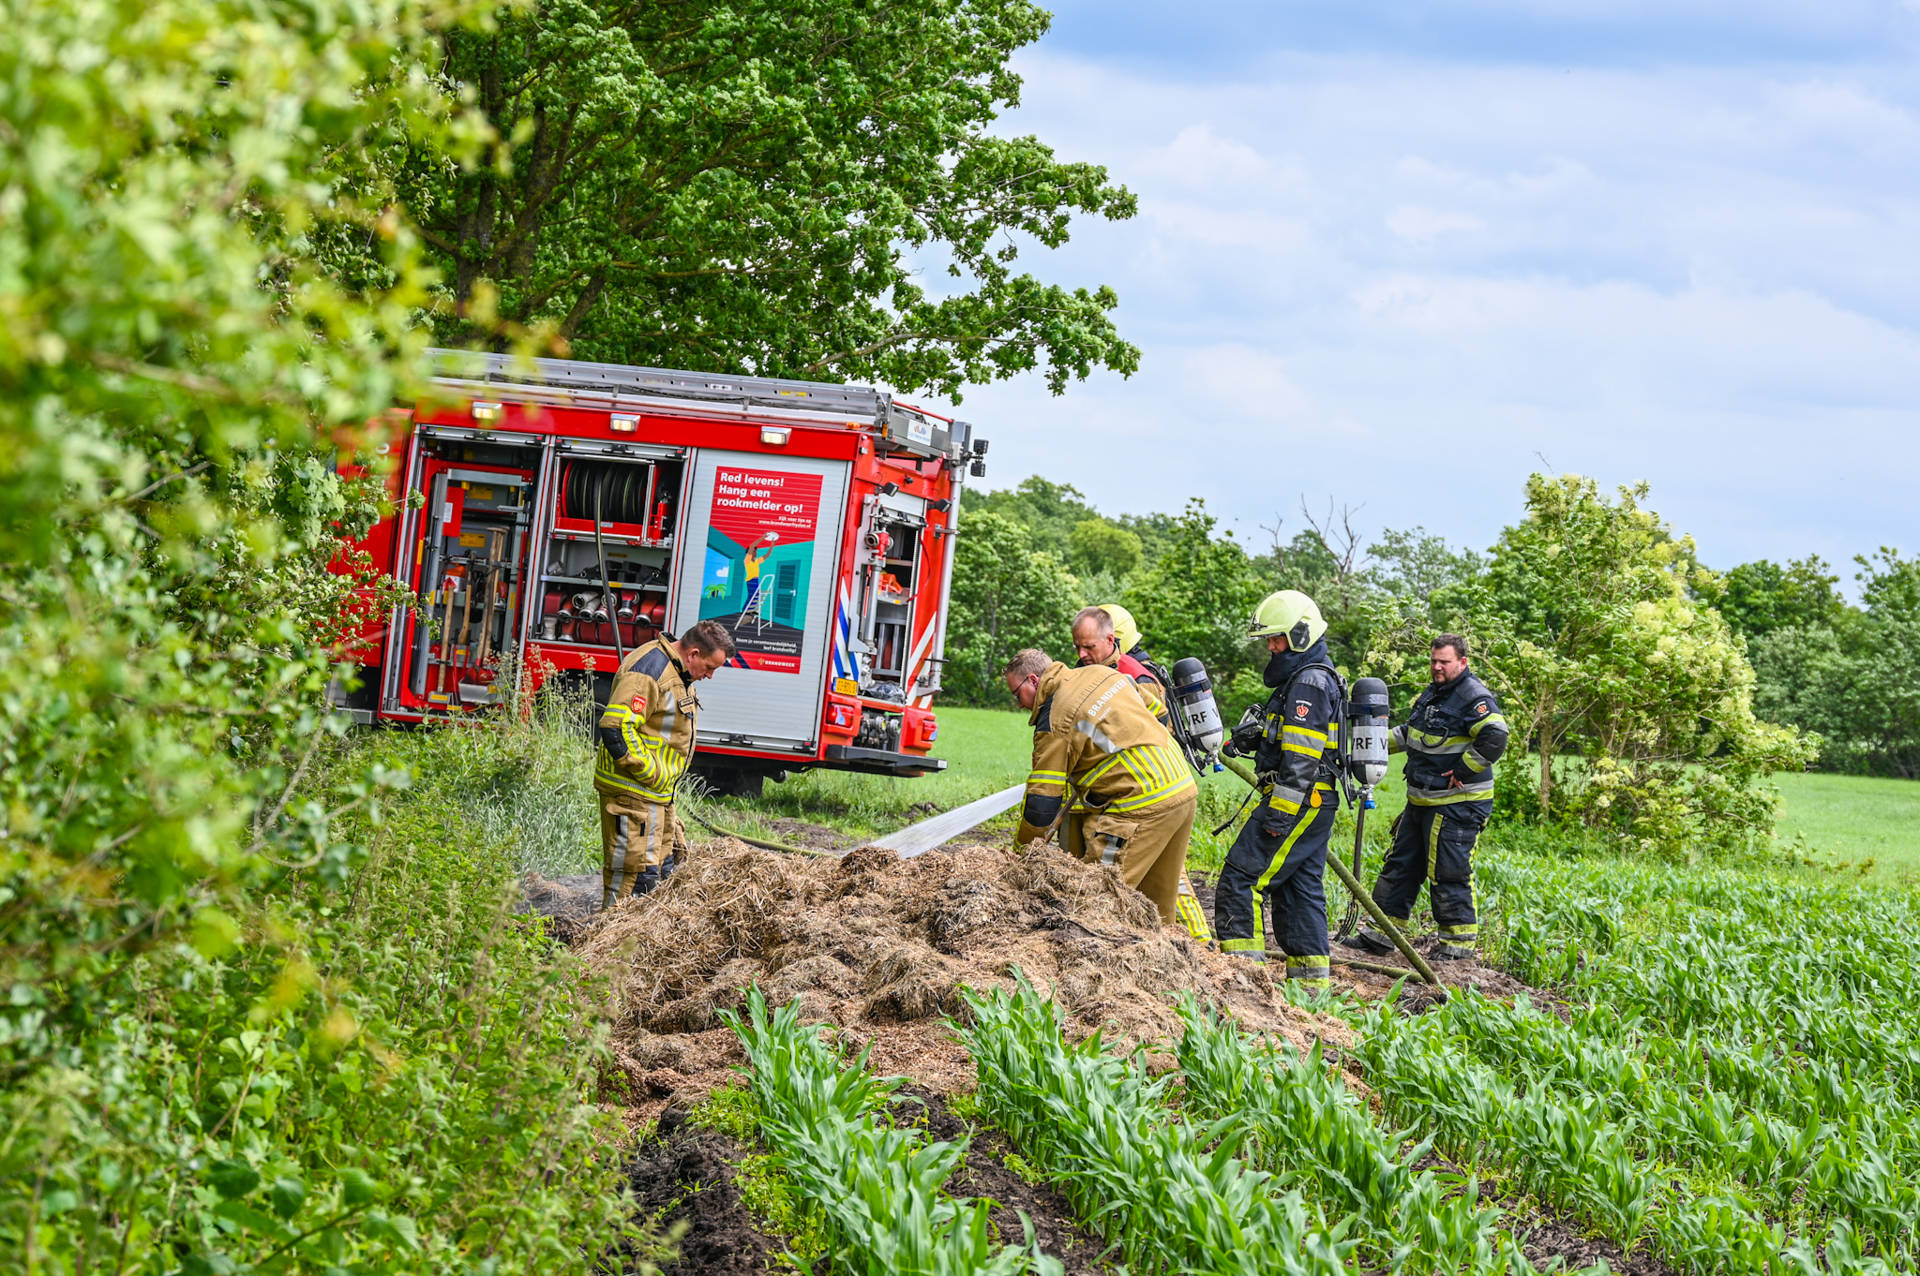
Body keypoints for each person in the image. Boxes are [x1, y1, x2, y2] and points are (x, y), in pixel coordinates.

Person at [1004, 647, 1211, 941]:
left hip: (1141, 805)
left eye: (1017, 694)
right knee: (1158, 908)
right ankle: (1184, 975)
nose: (1018, 704)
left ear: (1034, 681)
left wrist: (1020, 853)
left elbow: (1042, 803)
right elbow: (1159, 713)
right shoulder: (1104, 674)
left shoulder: (1054, 719)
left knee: (1092, 901)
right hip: (1180, 788)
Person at [1342, 634, 1507, 961]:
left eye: (1444, 662)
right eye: (1433, 661)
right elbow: (1411, 734)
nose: (1436, 667)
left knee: (1448, 871)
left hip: (1457, 806)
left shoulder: (1473, 696)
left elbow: (1495, 736)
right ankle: (1380, 936)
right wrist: (1370, 746)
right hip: (1422, 801)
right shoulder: (1434, 694)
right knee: (1400, 866)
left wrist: (1462, 768)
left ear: (1462, 662)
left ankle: (1457, 949)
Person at [1213, 590, 1343, 989]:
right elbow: (1291, 740)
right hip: (1315, 799)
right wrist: (1257, 738)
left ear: (1301, 635)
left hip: (1299, 798)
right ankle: (1311, 992)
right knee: (1299, 890)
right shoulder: (1306, 679)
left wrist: (1278, 814)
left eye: (1277, 638)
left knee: (1241, 879)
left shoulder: (1309, 683)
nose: (1271, 647)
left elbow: (1302, 759)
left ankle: (1244, 985)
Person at [594, 619, 736, 908]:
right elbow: (616, 728)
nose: (709, 676)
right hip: (633, 795)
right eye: (709, 668)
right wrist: (652, 772)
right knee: (632, 882)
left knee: (660, 874)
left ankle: (637, 948)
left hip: (655, 797)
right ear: (694, 653)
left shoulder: (678, 671)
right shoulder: (650, 671)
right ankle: (609, 945)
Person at [1071, 604, 1168, 723]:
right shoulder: (1077, 676)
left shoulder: (1138, 678)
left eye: (1089, 647)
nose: (1081, 654)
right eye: (1077, 647)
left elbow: (1161, 729)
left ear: (1110, 640)